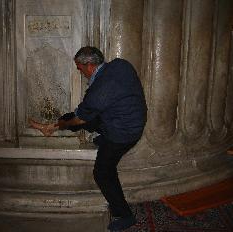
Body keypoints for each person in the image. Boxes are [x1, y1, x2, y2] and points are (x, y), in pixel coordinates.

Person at [29, 46, 147, 231]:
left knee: (102, 172)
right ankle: (51, 127)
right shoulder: (120, 65)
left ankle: (125, 216)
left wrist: (65, 123)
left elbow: (80, 117)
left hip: (123, 134)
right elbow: (94, 107)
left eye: (79, 67)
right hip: (134, 119)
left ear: (90, 66)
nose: (79, 71)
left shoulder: (99, 89)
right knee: (88, 118)